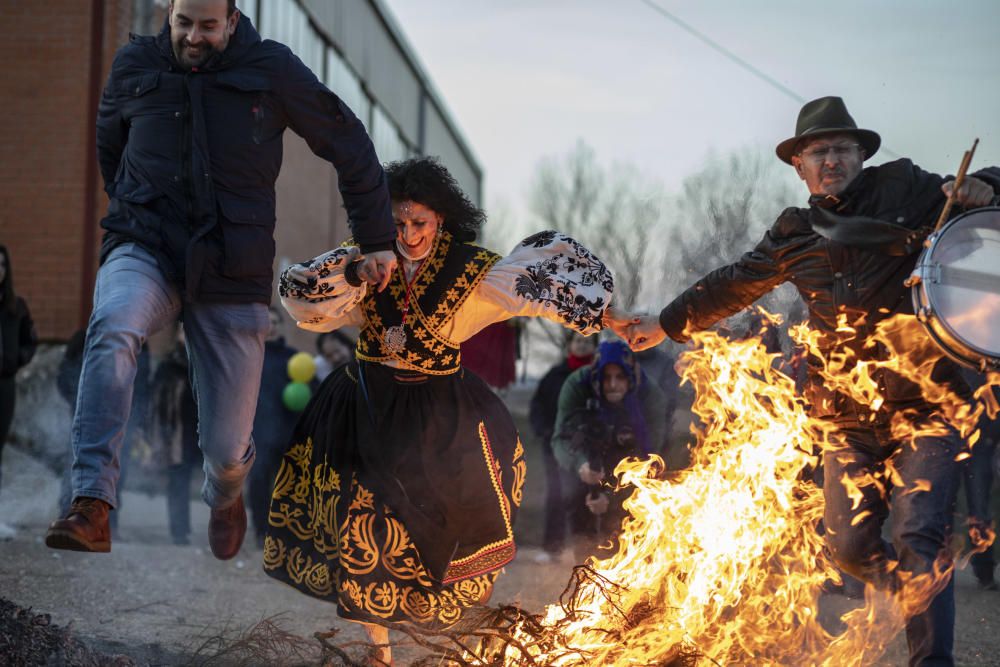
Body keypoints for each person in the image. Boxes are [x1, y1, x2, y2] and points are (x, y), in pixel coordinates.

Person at [619, 96, 1000, 666]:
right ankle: (912, 592)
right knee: (847, 549)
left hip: (926, 406)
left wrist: (987, 187)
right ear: (798, 165)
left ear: (861, 155)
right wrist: (666, 322)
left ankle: (931, 649)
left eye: (841, 150)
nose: (830, 161)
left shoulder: (908, 191)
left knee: (920, 540)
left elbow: (976, 193)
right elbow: (733, 283)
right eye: (817, 152)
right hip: (847, 420)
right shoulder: (795, 233)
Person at [44, 0, 398, 560]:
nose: (193, 37)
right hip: (147, 246)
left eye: (208, 26)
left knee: (228, 449)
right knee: (112, 325)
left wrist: (377, 237)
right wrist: (136, 209)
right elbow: (110, 149)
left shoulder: (272, 70)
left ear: (232, 21)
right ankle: (91, 501)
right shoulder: (136, 63)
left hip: (233, 267)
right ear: (169, 12)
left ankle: (226, 494)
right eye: (183, 22)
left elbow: (347, 139)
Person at [264, 157, 619, 665]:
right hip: (365, 404)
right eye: (398, 223)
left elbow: (544, 289)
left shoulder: (472, 270)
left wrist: (616, 317)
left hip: (439, 411)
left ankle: (437, 627)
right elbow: (300, 294)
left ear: (442, 220)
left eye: (420, 223)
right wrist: (356, 268)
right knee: (363, 520)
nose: (408, 235)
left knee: (447, 515)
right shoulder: (361, 258)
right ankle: (378, 648)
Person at [551, 339, 668, 559]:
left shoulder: (651, 396)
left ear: (631, 377)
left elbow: (649, 459)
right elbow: (559, 441)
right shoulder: (576, 385)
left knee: (624, 523)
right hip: (585, 455)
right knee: (576, 502)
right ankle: (585, 572)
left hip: (631, 458)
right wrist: (581, 466)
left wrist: (611, 497)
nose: (613, 384)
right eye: (606, 377)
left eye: (620, 377)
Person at [528, 332, 597, 561]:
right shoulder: (554, 376)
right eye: (578, 340)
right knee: (556, 494)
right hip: (554, 444)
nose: (582, 344)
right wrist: (543, 430)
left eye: (587, 341)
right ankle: (552, 547)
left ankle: (586, 547)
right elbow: (537, 405)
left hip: (587, 447)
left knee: (586, 494)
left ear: (594, 347)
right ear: (570, 345)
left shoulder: (598, 377)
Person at [246, 306, 299, 548]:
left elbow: (307, 393)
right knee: (257, 482)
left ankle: (286, 533)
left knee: (289, 486)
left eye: (276, 322)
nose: (272, 326)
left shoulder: (294, 358)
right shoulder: (249, 357)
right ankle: (261, 531)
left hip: (288, 432)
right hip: (257, 432)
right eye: (267, 322)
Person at [148, 325, 202, 545]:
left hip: (199, 430)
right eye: (183, 331)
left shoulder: (204, 363)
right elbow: (157, 401)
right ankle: (179, 530)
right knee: (178, 480)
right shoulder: (169, 365)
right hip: (176, 432)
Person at [0, 245, 38, 539]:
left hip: (5, 385)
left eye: (2, 264)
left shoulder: (16, 307)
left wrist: (17, 360)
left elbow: (30, 341)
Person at [961, 368, 1000, 590]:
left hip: (984, 435)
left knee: (979, 504)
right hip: (959, 431)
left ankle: (984, 570)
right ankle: (983, 570)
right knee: (973, 504)